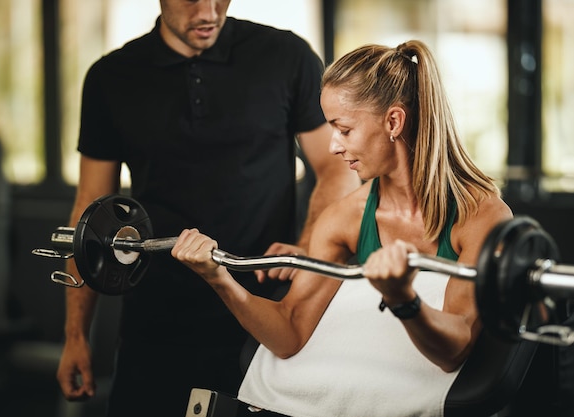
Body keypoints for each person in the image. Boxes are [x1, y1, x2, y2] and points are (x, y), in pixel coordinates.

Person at [171, 39, 514, 417]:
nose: (333, 145)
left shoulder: (483, 216)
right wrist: (220, 279)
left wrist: (403, 299)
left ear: (393, 122)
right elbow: (290, 334)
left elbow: (455, 350)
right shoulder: (344, 218)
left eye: (344, 129)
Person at [55, 1, 361, 416]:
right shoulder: (111, 78)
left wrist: (305, 245)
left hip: (263, 317)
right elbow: (89, 216)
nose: (208, 11)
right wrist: (76, 334)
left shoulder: (286, 56)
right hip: (156, 321)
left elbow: (336, 168)